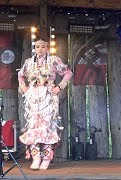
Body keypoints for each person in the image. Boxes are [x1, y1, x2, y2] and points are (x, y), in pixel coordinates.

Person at [18, 38, 73, 170]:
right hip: (33, 96)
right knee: (33, 126)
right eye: (38, 47)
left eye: (43, 46)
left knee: (47, 126)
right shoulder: (29, 62)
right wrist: (23, 87)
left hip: (48, 96)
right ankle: (36, 157)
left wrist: (59, 87)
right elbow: (20, 75)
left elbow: (68, 73)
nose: (40, 49)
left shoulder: (53, 60)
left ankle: (46, 158)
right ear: (34, 48)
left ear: (47, 48)